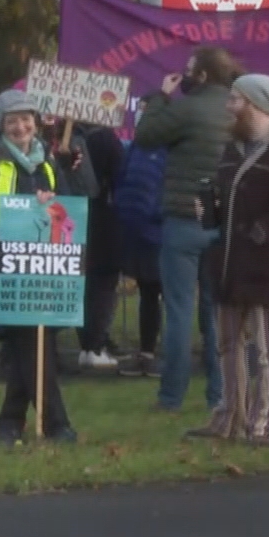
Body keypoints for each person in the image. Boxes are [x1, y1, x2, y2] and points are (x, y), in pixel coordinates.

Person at [0, 89, 93, 444]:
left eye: (25, 119)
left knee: (27, 343)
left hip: (42, 263)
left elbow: (66, 211)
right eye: (12, 121)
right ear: (1, 125)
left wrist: (52, 203)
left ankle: (9, 422)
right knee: (31, 338)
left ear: (35, 122)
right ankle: (56, 424)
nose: (20, 127)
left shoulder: (47, 162)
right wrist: (2, 238)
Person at [195, 74, 269, 445]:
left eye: (235, 100)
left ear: (256, 104)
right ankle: (231, 415)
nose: (229, 106)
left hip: (266, 263)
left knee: (267, 349)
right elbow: (228, 197)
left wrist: (263, 231)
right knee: (227, 344)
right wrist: (210, 210)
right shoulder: (233, 148)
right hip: (229, 261)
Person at [134, 46, 241, 412]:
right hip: (223, 221)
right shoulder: (235, 109)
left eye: (189, 69)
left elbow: (146, 134)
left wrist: (163, 95)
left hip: (182, 219)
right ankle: (219, 395)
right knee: (216, 314)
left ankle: (171, 396)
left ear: (203, 75)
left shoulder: (185, 108)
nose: (185, 74)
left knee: (179, 311)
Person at [114, 141, 169, 377]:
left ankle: (171, 357)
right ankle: (147, 353)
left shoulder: (171, 147)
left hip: (162, 230)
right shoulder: (136, 148)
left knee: (170, 297)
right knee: (149, 293)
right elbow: (122, 180)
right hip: (140, 230)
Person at [77, 121, 127, 371]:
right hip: (103, 219)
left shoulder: (61, 138)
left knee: (80, 284)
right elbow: (122, 176)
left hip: (68, 218)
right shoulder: (106, 139)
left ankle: (85, 343)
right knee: (103, 285)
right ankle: (95, 346)